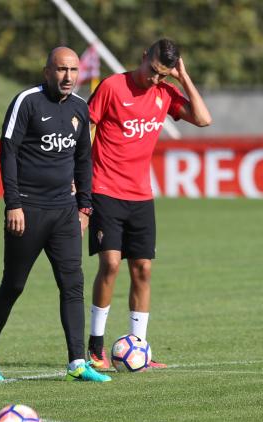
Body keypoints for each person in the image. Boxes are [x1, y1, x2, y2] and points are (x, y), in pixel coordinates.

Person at [0, 47, 110, 383]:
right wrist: (13, 203)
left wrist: (85, 208)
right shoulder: (27, 101)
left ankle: (77, 362)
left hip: (65, 212)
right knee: (14, 285)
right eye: (62, 70)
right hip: (28, 209)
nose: (68, 77)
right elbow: (7, 153)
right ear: (47, 70)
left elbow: (83, 161)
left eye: (74, 70)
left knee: (72, 284)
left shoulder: (81, 108)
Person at [86, 39, 212, 369]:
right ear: (144, 57)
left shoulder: (165, 94)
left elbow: (203, 119)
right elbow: (88, 126)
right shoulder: (112, 87)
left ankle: (139, 347)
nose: (155, 79)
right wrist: (80, 178)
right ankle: (96, 347)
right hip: (105, 190)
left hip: (141, 197)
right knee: (110, 265)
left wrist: (182, 78)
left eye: (163, 75)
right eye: (153, 71)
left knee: (142, 270)